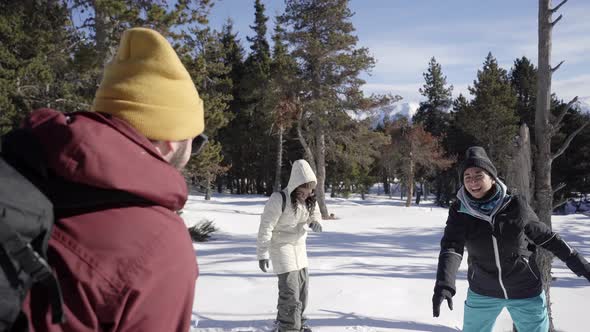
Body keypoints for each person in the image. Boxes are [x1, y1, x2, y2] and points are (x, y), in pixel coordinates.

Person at [1, 28, 205, 331]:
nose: (194, 148)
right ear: (170, 141)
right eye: (196, 140)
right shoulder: (161, 245)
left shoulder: (24, 163)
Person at [432, 146, 590, 332]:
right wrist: (444, 285)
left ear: (492, 177)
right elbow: (451, 247)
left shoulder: (515, 205)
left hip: (525, 291)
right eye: (467, 177)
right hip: (482, 291)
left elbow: (547, 238)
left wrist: (581, 265)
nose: (473, 181)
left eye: (478, 175)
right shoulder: (460, 211)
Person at [257, 159, 323, 332]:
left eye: (309, 191)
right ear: (295, 185)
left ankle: (296, 320)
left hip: (300, 248)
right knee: (290, 291)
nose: (306, 195)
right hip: (281, 247)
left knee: (302, 291)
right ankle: (289, 328)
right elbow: (266, 226)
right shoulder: (279, 199)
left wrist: (315, 221)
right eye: (303, 191)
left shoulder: (309, 199)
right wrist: (262, 253)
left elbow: (313, 213)